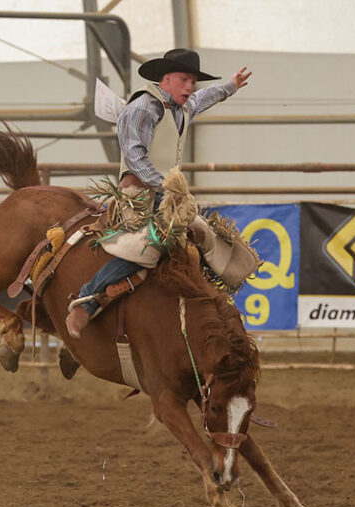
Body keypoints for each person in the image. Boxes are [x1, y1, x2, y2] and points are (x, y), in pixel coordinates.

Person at [65, 48, 251, 338]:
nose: (190, 87)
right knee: (148, 244)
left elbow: (203, 98)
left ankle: (223, 293)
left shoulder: (183, 106)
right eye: (183, 79)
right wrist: (166, 189)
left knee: (203, 234)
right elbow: (135, 155)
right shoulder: (142, 108)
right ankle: (86, 302)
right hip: (137, 193)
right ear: (165, 79)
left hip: (167, 197)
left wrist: (230, 86)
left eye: (192, 81)